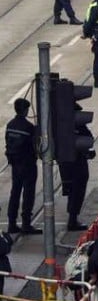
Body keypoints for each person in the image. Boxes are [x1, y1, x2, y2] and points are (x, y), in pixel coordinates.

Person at [5, 98, 39, 234]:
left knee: (15, 192)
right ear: (25, 110)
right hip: (28, 164)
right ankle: (26, 223)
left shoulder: (10, 125)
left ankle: (11, 223)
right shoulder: (28, 127)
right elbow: (35, 145)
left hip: (15, 163)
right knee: (28, 194)